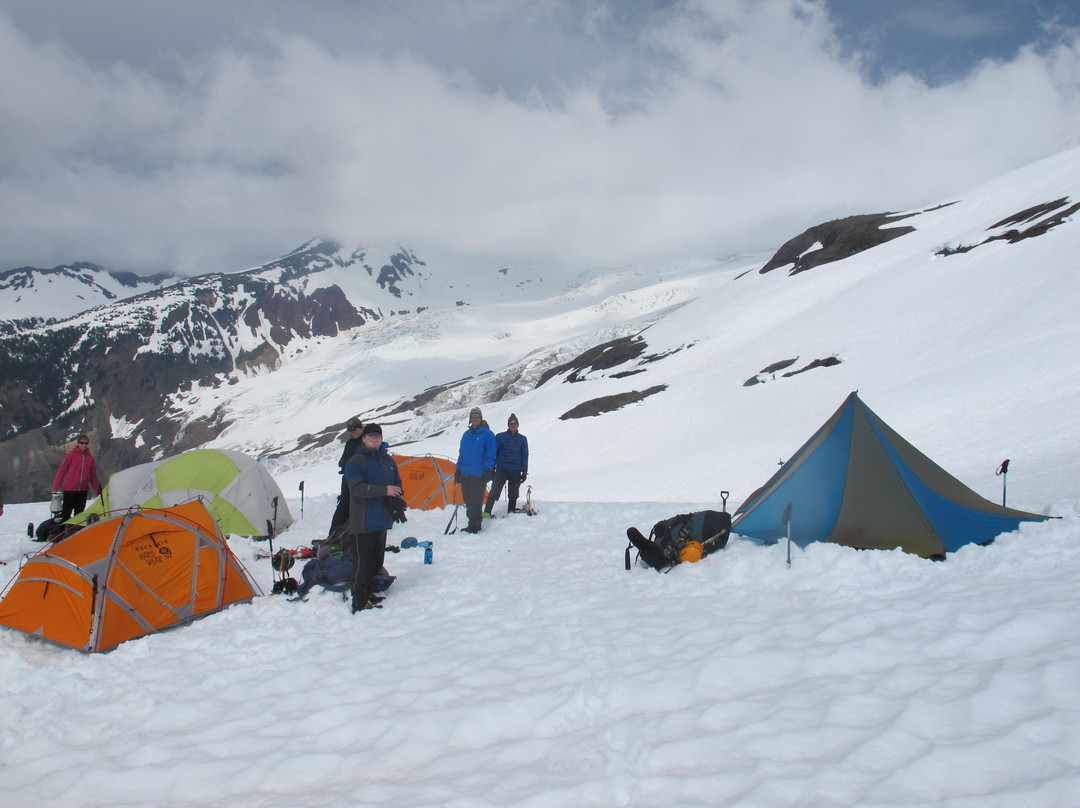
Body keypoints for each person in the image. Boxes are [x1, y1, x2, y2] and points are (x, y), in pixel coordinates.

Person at [343, 423, 404, 613]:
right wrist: (384, 491)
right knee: (364, 563)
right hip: (363, 521)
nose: (374, 437)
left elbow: (397, 482)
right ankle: (358, 600)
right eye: (370, 435)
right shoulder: (356, 461)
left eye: (377, 434)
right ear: (363, 438)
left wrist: (397, 498)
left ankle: (368, 592)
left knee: (377, 562)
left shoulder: (387, 461)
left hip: (381, 519)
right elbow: (357, 488)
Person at [455, 407, 496, 534]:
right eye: (473, 417)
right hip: (466, 473)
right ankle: (471, 523)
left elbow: (491, 453)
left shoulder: (488, 434)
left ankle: (475, 524)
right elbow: (461, 454)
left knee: (476, 501)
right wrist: (458, 470)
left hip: (479, 474)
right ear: (470, 419)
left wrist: (488, 469)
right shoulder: (466, 435)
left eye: (477, 417)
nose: (475, 419)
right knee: (468, 500)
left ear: (481, 418)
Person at [484, 413, 529, 517]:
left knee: (513, 493)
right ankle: (486, 512)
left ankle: (511, 512)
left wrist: (525, 469)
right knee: (494, 492)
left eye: (514, 423)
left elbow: (524, 454)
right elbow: (494, 452)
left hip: (516, 470)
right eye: (510, 423)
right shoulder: (500, 437)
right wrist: (492, 468)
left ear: (517, 425)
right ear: (508, 425)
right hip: (501, 469)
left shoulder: (522, 439)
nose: (512, 425)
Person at [328, 416, 364, 536]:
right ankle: (335, 532)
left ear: (360, 428)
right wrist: (344, 464)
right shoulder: (349, 443)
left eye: (355, 430)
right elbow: (343, 460)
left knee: (357, 506)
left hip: (361, 481)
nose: (352, 432)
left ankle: (354, 532)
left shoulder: (366, 442)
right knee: (344, 505)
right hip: (348, 480)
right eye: (350, 430)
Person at [52, 434, 100, 521]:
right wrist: (55, 488)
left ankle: (75, 531)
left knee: (79, 513)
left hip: (83, 490)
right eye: (81, 442)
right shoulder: (70, 456)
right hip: (70, 489)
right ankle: (65, 531)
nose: (83, 445)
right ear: (78, 443)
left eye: (86, 443)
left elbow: (93, 476)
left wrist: (97, 490)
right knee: (66, 513)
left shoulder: (90, 458)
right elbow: (61, 471)